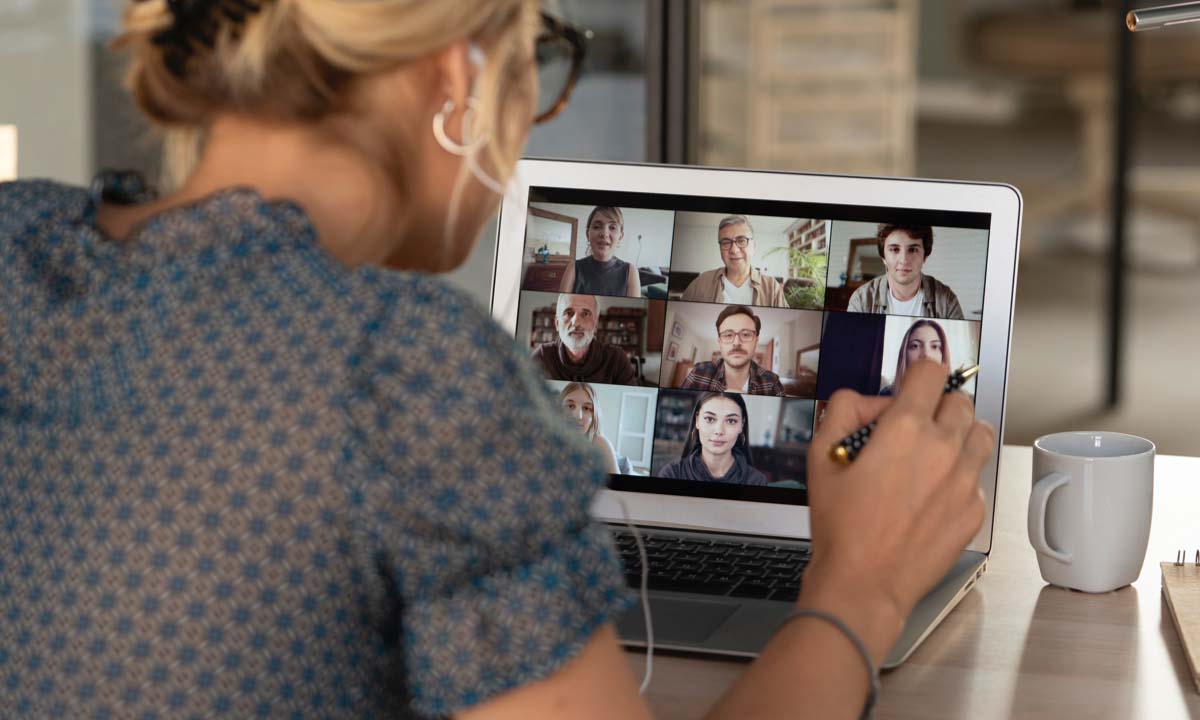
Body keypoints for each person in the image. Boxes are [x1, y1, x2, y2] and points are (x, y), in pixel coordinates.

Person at [0, 1, 995, 718]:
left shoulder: (14, 241)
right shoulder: (406, 368)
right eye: (536, 58)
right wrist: (862, 585)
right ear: (458, 74)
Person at [846, 223, 965, 318]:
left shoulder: (946, 300)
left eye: (912, 250)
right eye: (895, 249)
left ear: (924, 256)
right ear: (883, 257)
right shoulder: (861, 300)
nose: (903, 260)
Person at [659, 392, 769, 485]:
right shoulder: (672, 474)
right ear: (697, 421)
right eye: (709, 419)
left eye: (731, 421)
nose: (719, 431)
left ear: (741, 425)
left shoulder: (757, 481)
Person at [680, 214, 788, 307]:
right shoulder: (701, 283)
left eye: (741, 240)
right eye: (726, 242)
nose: (734, 250)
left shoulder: (772, 288)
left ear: (754, 247)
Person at [530, 293, 637, 385]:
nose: (576, 322)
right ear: (557, 324)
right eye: (568, 313)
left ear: (595, 325)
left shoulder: (617, 359)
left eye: (585, 314)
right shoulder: (541, 358)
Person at [680, 304, 784, 396]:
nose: (737, 342)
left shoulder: (772, 383)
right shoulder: (698, 373)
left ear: (756, 341)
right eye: (728, 335)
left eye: (746, 334)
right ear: (719, 342)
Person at [559, 206, 641, 298]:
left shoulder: (630, 272)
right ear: (587, 234)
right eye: (597, 227)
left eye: (612, 227)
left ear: (620, 237)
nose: (604, 234)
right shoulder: (573, 268)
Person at [560, 382, 620, 473]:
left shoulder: (600, 443)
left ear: (594, 416)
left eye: (586, 408)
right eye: (570, 406)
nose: (578, 416)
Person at [880, 319, 951, 396]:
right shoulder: (886, 395)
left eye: (934, 346)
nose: (926, 354)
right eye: (915, 346)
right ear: (905, 355)